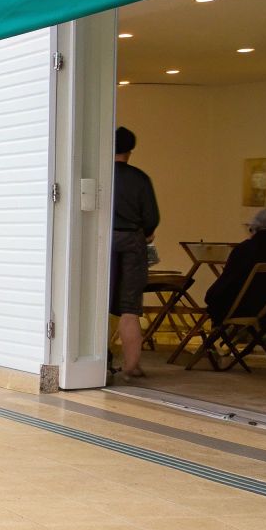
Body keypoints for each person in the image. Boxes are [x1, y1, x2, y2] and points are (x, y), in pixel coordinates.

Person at [111, 127, 159, 381]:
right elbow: (152, 217)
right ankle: (132, 365)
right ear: (130, 151)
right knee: (130, 307)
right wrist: (146, 232)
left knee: (99, 303)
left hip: (102, 241)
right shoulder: (140, 178)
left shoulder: (101, 175)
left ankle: (99, 360)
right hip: (132, 241)